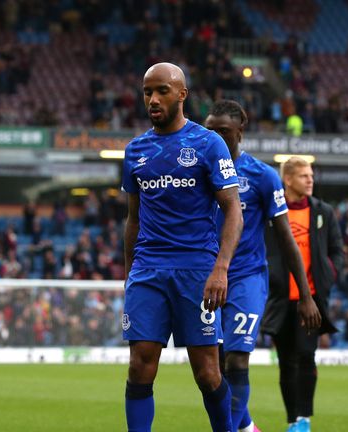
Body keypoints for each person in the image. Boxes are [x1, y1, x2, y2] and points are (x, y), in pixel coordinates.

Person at [121, 62, 243, 432]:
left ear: (182, 94)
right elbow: (133, 219)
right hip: (148, 269)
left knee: (207, 372)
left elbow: (233, 209)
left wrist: (220, 268)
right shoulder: (135, 150)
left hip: (197, 269)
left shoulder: (208, 143)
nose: (153, 99)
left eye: (162, 91)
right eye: (147, 92)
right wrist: (129, 277)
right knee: (140, 365)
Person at [204, 100, 322, 432]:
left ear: (240, 131)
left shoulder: (262, 176)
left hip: (246, 279)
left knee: (237, 359)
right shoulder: (197, 171)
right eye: (209, 130)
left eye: (223, 131)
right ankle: (246, 427)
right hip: (204, 277)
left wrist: (307, 296)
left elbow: (287, 239)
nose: (214, 137)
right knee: (210, 368)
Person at [261, 156, 344, 432]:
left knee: (306, 356)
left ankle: (304, 419)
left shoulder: (323, 212)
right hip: (280, 299)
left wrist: (327, 275)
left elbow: (337, 252)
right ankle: (292, 418)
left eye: (311, 175)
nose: (310, 179)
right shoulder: (271, 212)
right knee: (286, 361)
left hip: (311, 301)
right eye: (303, 176)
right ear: (287, 179)